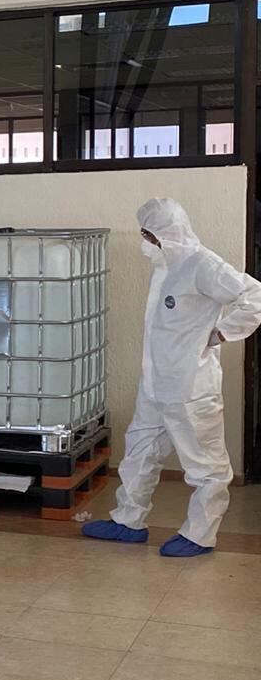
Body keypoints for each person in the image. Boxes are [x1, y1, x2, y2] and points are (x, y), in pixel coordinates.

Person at [83, 199, 261, 557]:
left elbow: (254, 295)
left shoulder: (203, 265)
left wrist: (221, 333)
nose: (145, 242)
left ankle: (200, 535)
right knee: (139, 452)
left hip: (191, 387)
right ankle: (128, 521)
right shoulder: (166, 267)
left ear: (168, 233)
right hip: (155, 383)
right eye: (144, 235)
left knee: (206, 465)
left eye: (149, 235)